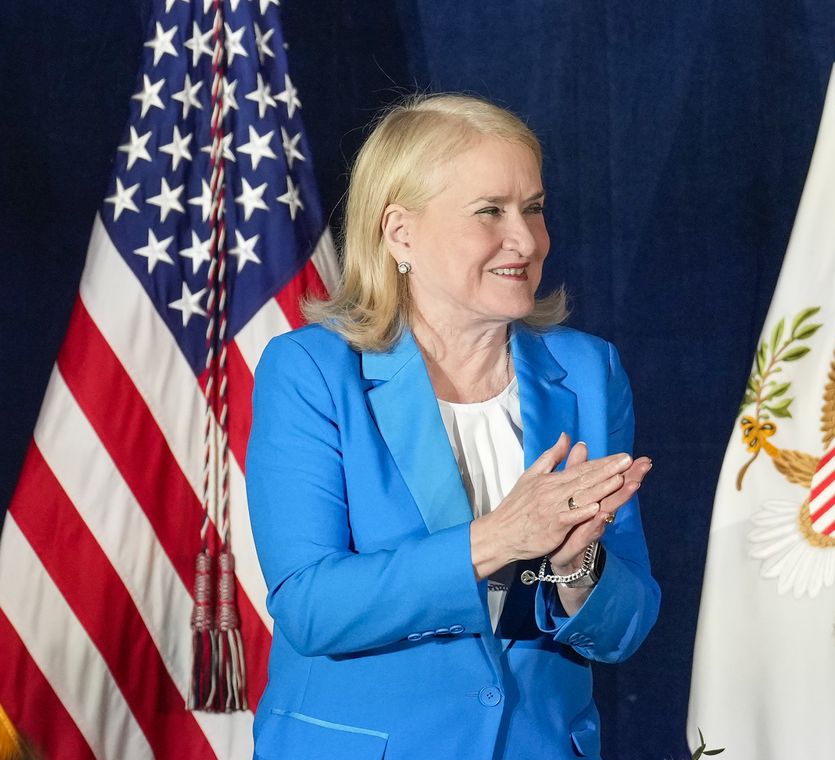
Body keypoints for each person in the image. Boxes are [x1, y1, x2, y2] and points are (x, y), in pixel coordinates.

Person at [247, 94, 661, 759]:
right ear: (400, 233)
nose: (525, 240)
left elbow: (626, 626)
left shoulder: (587, 370)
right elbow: (312, 606)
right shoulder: (311, 371)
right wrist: (499, 538)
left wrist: (576, 562)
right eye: (489, 212)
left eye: (533, 208)